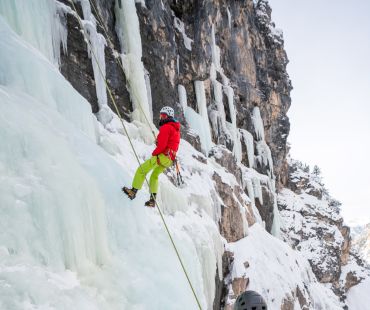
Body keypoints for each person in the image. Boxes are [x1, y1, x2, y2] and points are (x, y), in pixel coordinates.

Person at [122, 106, 181, 207]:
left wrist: (154, 154)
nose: (161, 117)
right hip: (170, 160)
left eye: (163, 115)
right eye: (161, 115)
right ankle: (152, 200)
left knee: (141, 170)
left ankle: (133, 191)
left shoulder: (166, 127)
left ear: (168, 117)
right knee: (154, 176)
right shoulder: (176, 130)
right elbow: (168, 143)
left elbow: (161, 146)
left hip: (162, 156)